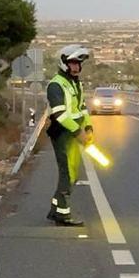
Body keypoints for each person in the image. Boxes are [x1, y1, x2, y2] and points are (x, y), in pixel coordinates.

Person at [46, 45, 94, 226]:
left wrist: (88, 127)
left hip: (74, 135)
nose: (76, 67)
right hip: (63, 135)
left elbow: (82, 108)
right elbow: (60, 115)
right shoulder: (56, 85)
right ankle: (63, 214)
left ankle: (56, 209)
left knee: (73, 173)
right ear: (64, 63)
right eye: (73, 63)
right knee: (67, 174)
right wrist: (77, 131)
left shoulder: (76, 83)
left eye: (79, 64)